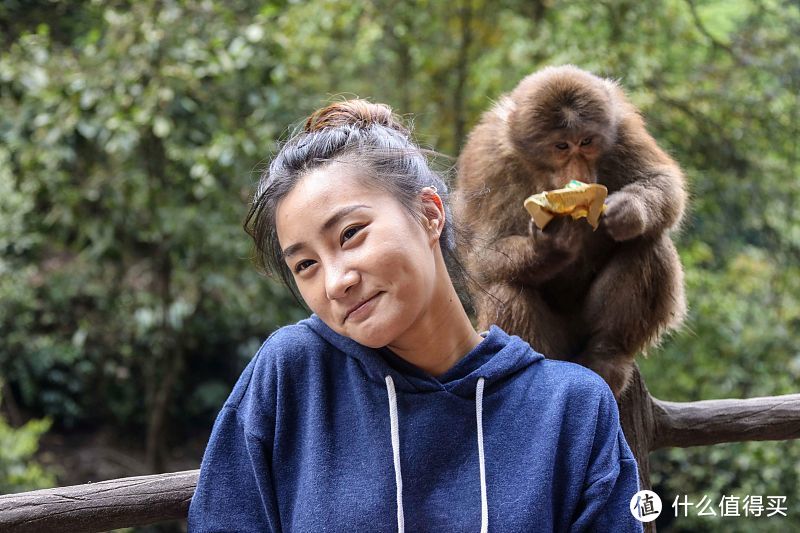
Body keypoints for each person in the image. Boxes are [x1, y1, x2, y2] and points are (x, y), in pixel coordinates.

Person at [187, 100, 643, 532]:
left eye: (350, 234)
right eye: (305, 265)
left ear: (429, 214)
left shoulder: (570, 407)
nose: (335, 282)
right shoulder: (295, 375)